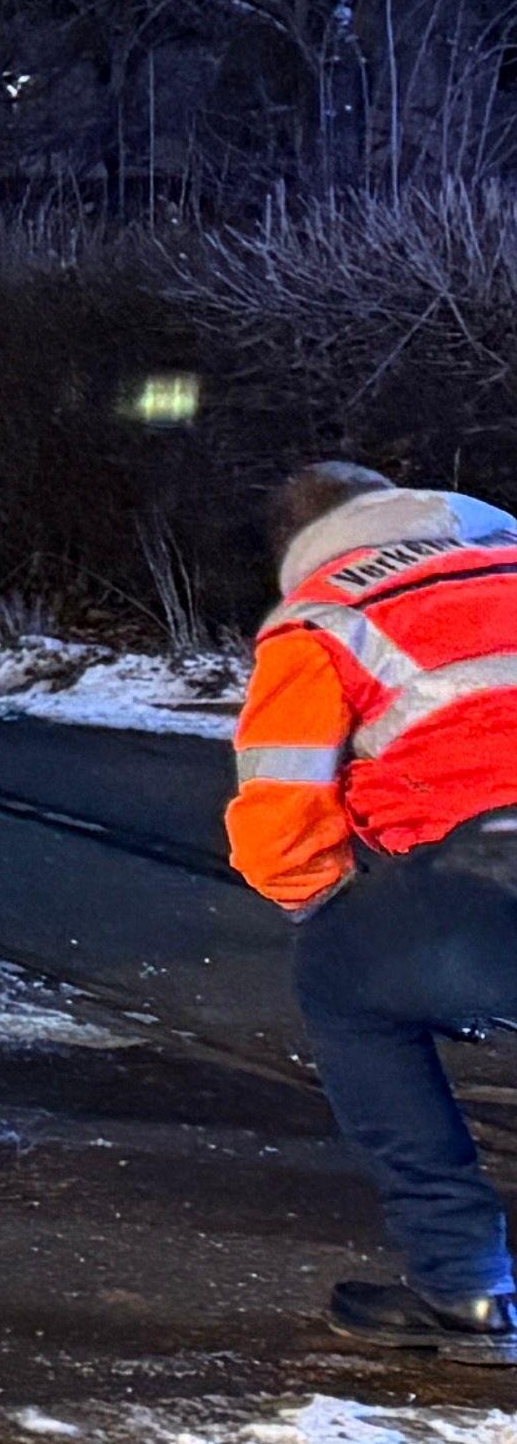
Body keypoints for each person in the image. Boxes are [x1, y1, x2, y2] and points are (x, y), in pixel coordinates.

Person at [226, 457, 517, 1353]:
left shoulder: (320, 619)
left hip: (485, 875)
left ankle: (463, 1286)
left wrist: (343, 912)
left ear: (298, 547)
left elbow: (283, 829)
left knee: (345, 987)